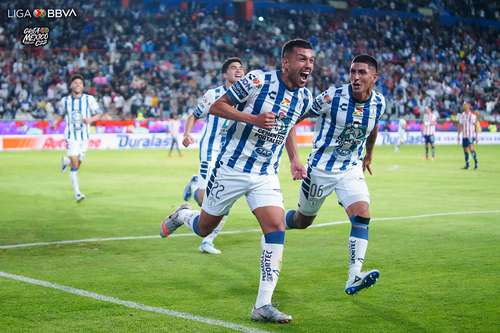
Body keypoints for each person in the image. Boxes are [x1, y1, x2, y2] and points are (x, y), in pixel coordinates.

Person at [160, 39, 315, 323]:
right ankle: (183, 215)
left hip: (264, 174)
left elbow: (289, 124)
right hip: (231, 168)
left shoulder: (304, 98)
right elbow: (217, 107)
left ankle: (262, 305)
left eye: (311, 60)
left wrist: (294, 159)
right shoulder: (257, 79)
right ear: (286, 63)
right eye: (302, 59)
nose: (308, 65)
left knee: (276, 226)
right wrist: (253, 119)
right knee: (205, 227)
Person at [284, 55, 385, 295]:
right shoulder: (332, 97)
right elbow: (292, 119)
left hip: (350, 167)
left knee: (361, 213)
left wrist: (368, 155)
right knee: (302, 221)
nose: (355, 77)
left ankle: (353, 277)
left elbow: (373, 127)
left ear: (374, 77)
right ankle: (274, 222)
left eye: (361, 72)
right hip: (320, 169)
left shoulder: (379, 102)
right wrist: (295, 159)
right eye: (352, 72)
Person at [181, 57, 245, 255]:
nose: (238, 70)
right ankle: (194, 187)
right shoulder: (213, 94)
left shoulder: (248, 96)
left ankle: (208, 241)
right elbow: (194, 115)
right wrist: (186, 134)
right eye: (233, 68)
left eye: (241, 68)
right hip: (211, 149)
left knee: (223, 198)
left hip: (231, 154)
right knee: (207, 201)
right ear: (225, 74)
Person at [58, 74, 102, 202]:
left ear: (83, 86)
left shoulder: (89, 99)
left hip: (85, 137)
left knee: (77, 163)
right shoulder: (64, 101)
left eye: (80, 83)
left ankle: (66, 161)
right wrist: (56, 122)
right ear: (71, 85)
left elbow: (98, 114)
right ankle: (77, 193)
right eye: (75, 83)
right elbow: (62, 114)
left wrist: (90, 119)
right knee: (75, 164)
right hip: (71, 136)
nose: (78, 85)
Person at [457, 102, 479, 169]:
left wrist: (477, 136)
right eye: (464, 106)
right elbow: (460, 125)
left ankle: (476, 162)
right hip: (464, 135)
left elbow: (476, 126)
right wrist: (458, 135)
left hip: (470, 135)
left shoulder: (472, 116)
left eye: (466, 106)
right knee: (465, 150)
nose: (465, 107)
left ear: (469, 107)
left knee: (471, 149)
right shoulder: (462, 115)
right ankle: (467, 164)